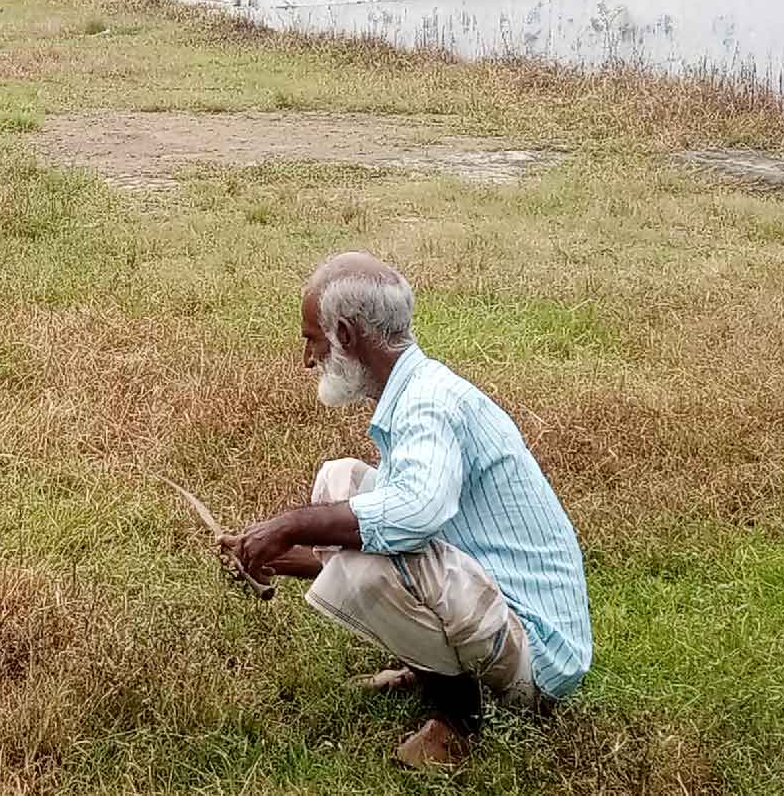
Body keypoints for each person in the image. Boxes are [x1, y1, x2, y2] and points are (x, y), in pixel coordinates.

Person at [225, 252, 592, 768]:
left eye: (313, 338)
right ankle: (432, 669)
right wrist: (272, 553)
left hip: (539, 657)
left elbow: (411, 520)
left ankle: (458, 721)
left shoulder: (427, 405)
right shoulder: (418, 387)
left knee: (375, 558)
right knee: (342, 481)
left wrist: (292, 524)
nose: (309, 358)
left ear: (346, 336)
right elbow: (397, 528)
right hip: (501, 610)